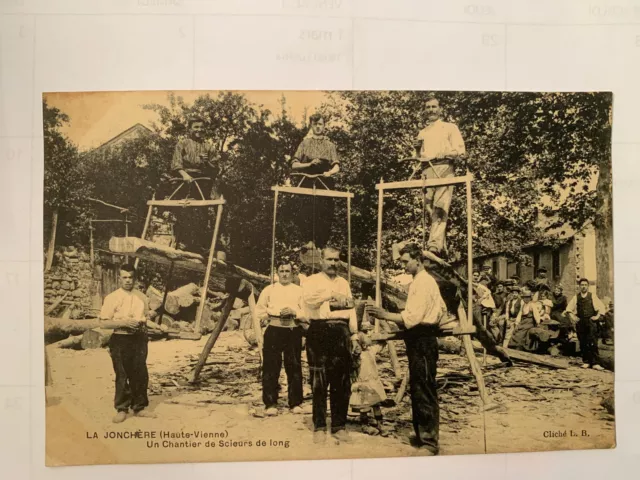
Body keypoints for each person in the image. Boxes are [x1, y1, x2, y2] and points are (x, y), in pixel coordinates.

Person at [368, 243, 447, 456]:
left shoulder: (423, 283)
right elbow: (441, 309)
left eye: (405, 261)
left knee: (424, 388)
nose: (403, 266)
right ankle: (422, 434)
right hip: (419, 337)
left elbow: (412, 318)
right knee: (418, 386)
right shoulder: (420, 282)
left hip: (423, 338)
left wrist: (384, 315)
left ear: (418, 260)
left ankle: (429, 442)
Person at [302, 247, 358, 444]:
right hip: (319, 330)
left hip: (341, 331)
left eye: (336, 260)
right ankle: (319, 425)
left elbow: (350, 309)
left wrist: (355, 334)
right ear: (321, 260)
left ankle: (338, 425)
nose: (333, 263)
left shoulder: (344, 282)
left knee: (341, 381)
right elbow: (308, 300)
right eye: (329, 260)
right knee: (318, 380)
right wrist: (329, 295)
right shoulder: (312, 281)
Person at [99, 264, 166, 423]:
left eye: (131, 277)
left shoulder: (142, 297)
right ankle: (122, 408)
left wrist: (151, 315)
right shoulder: (112, 297)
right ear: (119, 278)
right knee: (122, 374)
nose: (128, 280)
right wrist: (124, 323)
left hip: (139, 338)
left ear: (135, 278)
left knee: (140, 373)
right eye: (125, 277)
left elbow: (145, 317)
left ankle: (140, 407)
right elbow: (103, 323)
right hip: (120, 338)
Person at [413, 96, 466, 257]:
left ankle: (434, 246)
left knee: (440, 208)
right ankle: (441, 246)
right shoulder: (422, 132)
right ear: (424, 111)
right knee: (429, 209)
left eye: (434, 107)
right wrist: (416, 151)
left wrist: (446, 153)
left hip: (444, 167)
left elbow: (461, 151)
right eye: (428, 107)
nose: (431, 110)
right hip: (427, 170)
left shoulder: (449, 128)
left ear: (440, 109)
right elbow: (418, 156)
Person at [255, 263, 307, 416]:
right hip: (274, 330)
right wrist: (267, 316)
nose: (284, 274)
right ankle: (270, 403)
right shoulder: (269, 290)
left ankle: (295, 402)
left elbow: (306, 311)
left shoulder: (299, 291)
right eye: (281, 271)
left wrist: (294, 311)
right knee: (271, 366)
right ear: (276, 273)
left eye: (287, 271)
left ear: (293, 273)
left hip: (293, 330)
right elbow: (259, 309)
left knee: (294, 365)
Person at [169, 117, 225, 253]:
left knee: (202, 213)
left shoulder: (209, 147)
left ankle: (199, 244)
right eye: (196, 127)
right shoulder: (182, 144)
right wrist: (185, 175)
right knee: (184, 210)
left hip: (203, 181)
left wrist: (207, 163)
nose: (199, 130)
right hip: (184, 180)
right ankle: (181, 242)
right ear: (190, 129)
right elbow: (176, 164)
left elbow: (217, 168)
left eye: (201, 127)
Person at [290, 113, 341, 250]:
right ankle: (309, 241)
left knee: (324, 212)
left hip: (324, 181)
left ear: (324, 126)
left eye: (320, 124)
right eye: (315, 124)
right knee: (305, 211)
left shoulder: (330, 145)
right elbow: (294, 165)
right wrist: (309, 165)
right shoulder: (304, 143)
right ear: (311, 126)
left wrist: (329, 172)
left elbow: (337, 166)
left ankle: (321, 245)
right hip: (306, 180)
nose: (318, 127)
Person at [349, 332, 390, 436]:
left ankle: (380, 424)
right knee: (364, 407)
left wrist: (379, 337)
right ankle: (365, 425)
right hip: (363, 384)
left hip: (374, 383)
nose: (358, 347)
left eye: (359, 344)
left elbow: (382, 343)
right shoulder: (355, 357)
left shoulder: (371, 350)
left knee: (376, 405)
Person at [564, 278, 607, 370]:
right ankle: (586, 361)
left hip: (591, 322)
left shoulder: (592, 296)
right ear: (579, 286)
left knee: (593, 342)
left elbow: (601, 308)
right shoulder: (576, 297)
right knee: (583, 342)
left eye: (585, 285)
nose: (583, 287)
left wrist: (597, 316)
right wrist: (573, 316)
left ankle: (595, 363)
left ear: (588, 286)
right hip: (581, 322)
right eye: (582, 285)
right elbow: (568, 309)